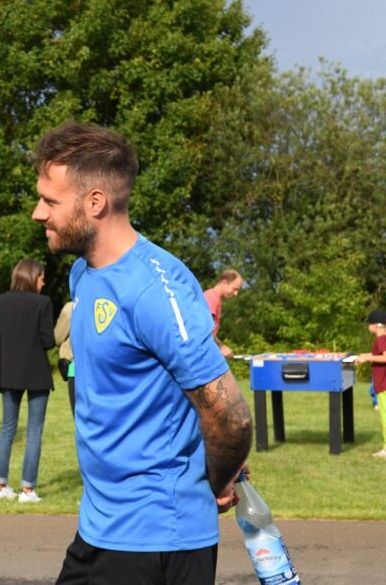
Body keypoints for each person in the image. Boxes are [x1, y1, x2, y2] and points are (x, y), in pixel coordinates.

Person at [32, 121, 252, 584]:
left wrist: (216, 480)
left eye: (50, 201)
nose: (38, 213)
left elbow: (231, 418)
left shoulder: (156, 287)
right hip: (99, 527)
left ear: (95, 203)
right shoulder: (83, 273)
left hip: (159, 540)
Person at [0, 258, 56, 504]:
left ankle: (0, 485)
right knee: (34, 431)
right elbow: (48, 341)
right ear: (32, 277)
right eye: (41, 277)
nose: (44, 281)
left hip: (8, 371)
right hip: (36, 371)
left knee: (7, 429)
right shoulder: (43, 303)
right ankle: (28, 490)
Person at [354, 309, 386, 459]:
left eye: (369, 323)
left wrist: (367, 357)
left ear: (377, 325)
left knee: (385, 418)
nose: (368, 326)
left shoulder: (381, 339)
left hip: (384, 385)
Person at [203, 270, 243, 358]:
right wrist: (221, 347)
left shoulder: (215, 298)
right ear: (224, 282)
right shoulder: (212, 297)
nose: (236, 294)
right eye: (235, 289)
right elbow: (204, 329)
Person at [53, 301, 75, 416]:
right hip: (101, 367)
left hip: (74, 367)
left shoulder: (71, 307)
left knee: (78, 415)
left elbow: (57, 337)